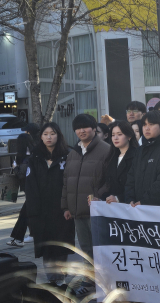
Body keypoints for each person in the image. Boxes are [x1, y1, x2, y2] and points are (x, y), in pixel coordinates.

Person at [26, 123, 75, 289]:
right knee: (46, 246)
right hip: (41, 209)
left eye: (52, 133)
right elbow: (30, 185)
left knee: (60, 244)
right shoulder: (35, 157)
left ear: (58, 135)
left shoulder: (68, 154)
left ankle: (60, 278)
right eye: (45, 134)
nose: (49, 137)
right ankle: (52, 279)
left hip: (61, 208)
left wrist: (68, 205)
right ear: (40, 137)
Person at [61, 114, 111, 261]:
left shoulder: (106, 150)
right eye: (77, 128)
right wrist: (66, 207)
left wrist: (99, 197)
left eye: (85, 127)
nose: (81, 131)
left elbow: (111, 180)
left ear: (94, 129)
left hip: (96, 209)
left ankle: (101, 281)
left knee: (101, 247)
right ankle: (89, 280)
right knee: (85, 248)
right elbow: (66, 181)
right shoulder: (73, 153)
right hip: (77, 211)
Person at [125, 111, 160, 206]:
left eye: (151, 124)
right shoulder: (140, 150)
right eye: (144, 125)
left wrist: (144, 202)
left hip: (157, 209)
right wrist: (130, 199)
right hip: (136, 207)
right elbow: (131, 177)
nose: (147, 128)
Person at [7, 131, 36, 247]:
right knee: (27, 214)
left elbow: (21, 174)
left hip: (31, 190)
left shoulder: (27, 157)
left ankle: (18, 239)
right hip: (32, 190)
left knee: (24, 215)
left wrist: (15, 167)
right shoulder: (34, 154)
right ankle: (22, 237)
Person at [98, 121, 138, 204]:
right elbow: (109, 185)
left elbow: (137, 185)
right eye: (113, 135)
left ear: (129, 136)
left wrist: (119, 198)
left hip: (130, 205)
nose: (115, 138)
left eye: (120, 134)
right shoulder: (111, 157)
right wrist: (101, 199)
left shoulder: (137, 155)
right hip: (113, 207)